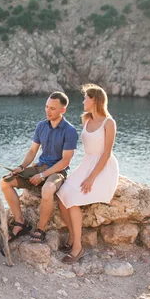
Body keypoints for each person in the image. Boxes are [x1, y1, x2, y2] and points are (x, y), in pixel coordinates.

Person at [1, 92, 78, 244]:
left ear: (63, 110)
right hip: (39, 167)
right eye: (46, 107)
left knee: (47, 189)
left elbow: (65, 161)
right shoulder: (41, 126)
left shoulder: (70, 131)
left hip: (57, 171)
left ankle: (40, 229)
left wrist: (43, 176)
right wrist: (21, 167)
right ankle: (20, 222)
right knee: (6, 181)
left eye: (53, 108)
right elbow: (32, 151)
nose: (48, 111)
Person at [56, 84, 119, 264]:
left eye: (86, 98)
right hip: (86, 164)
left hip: (103, 168)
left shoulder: (109, 123)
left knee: (74, 199)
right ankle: (72, 236)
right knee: (62, 195)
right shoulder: (86, 119)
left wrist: (91, 178)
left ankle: (78, 247)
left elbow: (106, 154)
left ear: (95, 100)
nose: (83, 101)